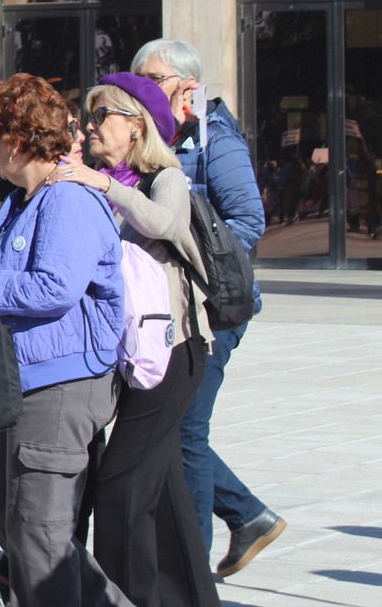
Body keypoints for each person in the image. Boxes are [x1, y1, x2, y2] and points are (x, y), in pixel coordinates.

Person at [49, 73, 219, 607]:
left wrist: (103, 186)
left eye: (103, 116)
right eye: (90, 115)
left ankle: (128, 599)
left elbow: (164, 223)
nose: (92, 125)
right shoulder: (95, 177)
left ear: (136, 126)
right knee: (161, 490)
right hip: (131, 356)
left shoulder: (163, 178)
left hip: (175, 351)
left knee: (121, 488)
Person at [0, 73, 131, 607]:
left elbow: (53, 288)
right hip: (27, 379)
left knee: (38, 535)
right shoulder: (28, 198)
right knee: (8, 517)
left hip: (61, 382)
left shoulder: (65, 197)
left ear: (15, 139)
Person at [131, 38, 283, 576]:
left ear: (187, 87)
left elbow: (248, 221)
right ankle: (246, 516)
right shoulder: (151, 139)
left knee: (185, 430)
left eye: (153, 80)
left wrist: (191, 258)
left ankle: (191, 567)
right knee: (168, 427)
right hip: (164, 312)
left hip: (214, 310)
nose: (142, 91)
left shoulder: (216, 140)